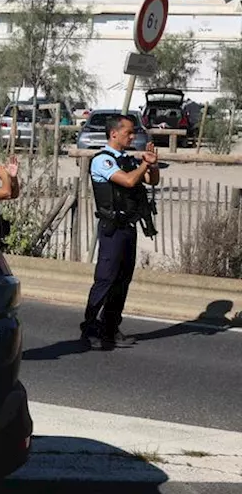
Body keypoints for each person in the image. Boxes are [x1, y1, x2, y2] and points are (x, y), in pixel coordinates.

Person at [82, 113, 159, 351]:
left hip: (128, 227)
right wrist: (144, 163)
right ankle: (90, 329)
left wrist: (152, 163)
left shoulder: (128, 159)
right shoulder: (102, 161)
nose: (132, 136)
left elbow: (151, 180)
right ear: (114, 133)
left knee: (122, 281)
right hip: (112, 228)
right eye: (128, 132)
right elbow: (127, 181)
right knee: (105, 279)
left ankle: (111, 327)